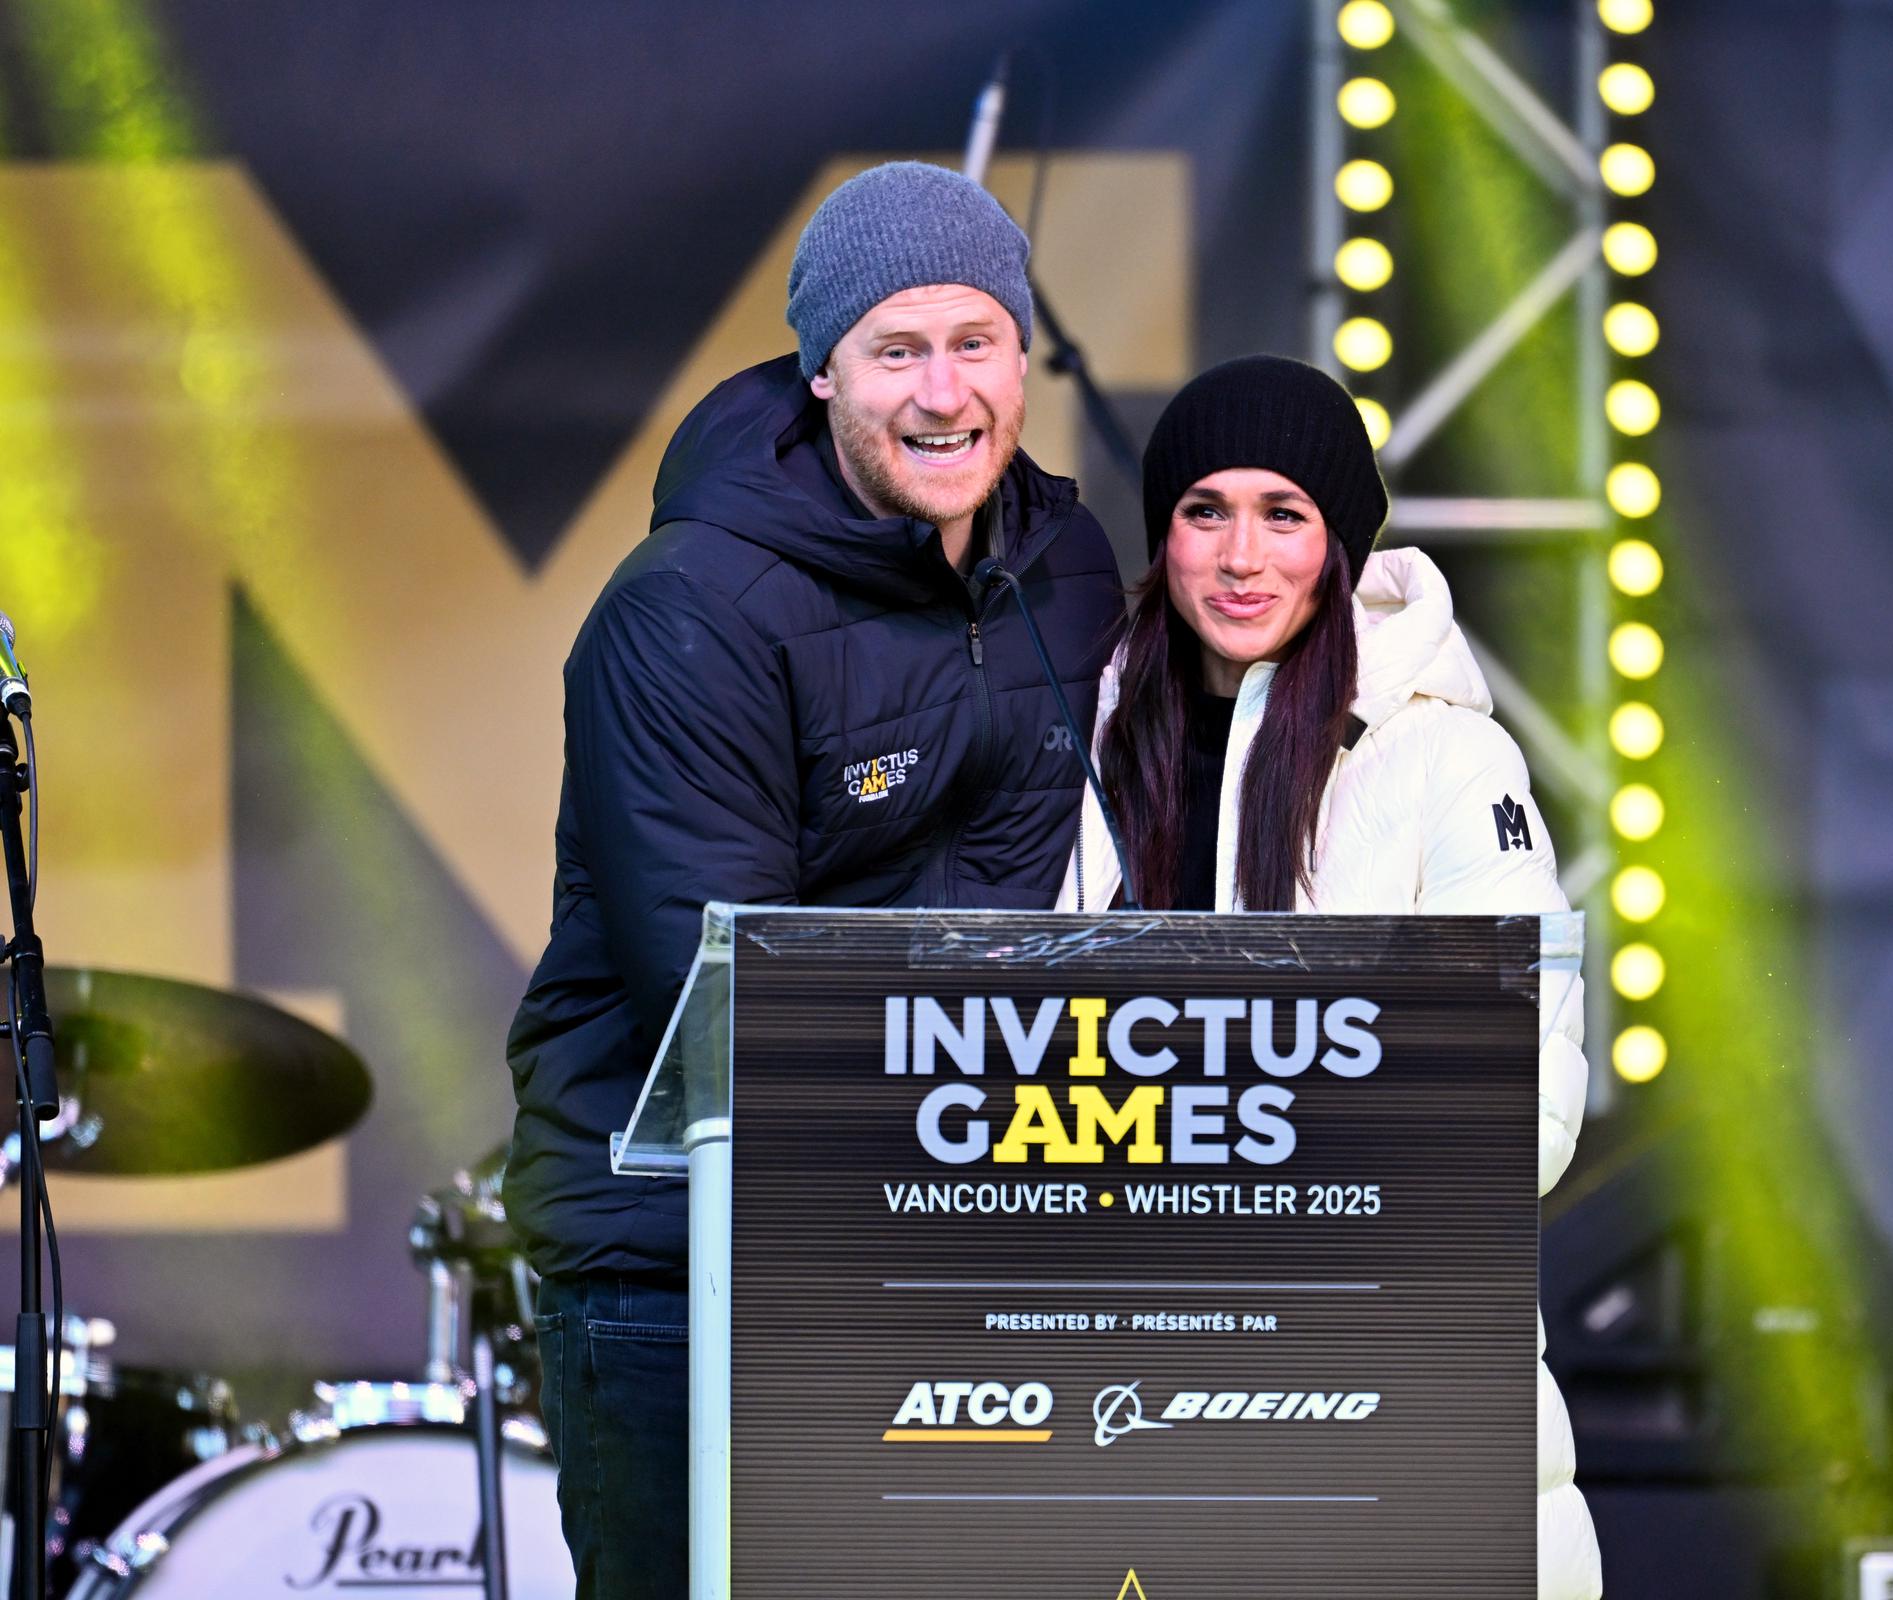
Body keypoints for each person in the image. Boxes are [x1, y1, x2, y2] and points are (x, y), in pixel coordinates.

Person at [507, 161, 1120, 1596]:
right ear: (822, 375)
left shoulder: (1068, 566)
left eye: (975, 342)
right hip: (676, 1266)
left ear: (1022, 355)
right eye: (894, 350)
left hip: (943, 1247)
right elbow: (725, 1002)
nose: (942, 392)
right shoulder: (687, 610)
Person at [1054, 354, 1605, 1599]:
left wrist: (1242, 1159)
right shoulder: (1082, 739)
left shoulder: (1445, 758)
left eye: (1283, 514)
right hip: (1129, 1395)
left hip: (1389, 1395)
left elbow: (1527, 1104)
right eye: (1206, 512)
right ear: (1165, 535)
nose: (1241, 556)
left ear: (1340, 545)